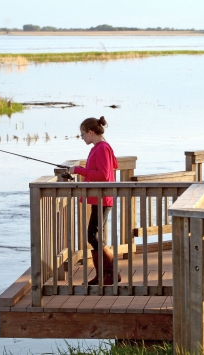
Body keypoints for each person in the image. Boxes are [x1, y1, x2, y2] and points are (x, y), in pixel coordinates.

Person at [69, 116, 121, 285]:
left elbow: (104, 176)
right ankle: (104, 275)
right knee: (95, 235)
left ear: (90, 132)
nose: (82, 137)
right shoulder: (97, 148)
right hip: (98, 197)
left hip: (103, 197)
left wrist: (79, 170)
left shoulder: (102, 148)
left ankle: (111, 273)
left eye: (82, 134)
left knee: (93, 235)